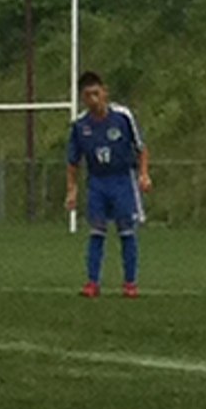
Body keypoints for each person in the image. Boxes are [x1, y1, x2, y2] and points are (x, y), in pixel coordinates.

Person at [65, 71, 152, 298]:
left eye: (96, 93)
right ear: (83, 98)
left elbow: (141, 148)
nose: (93, 99)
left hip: (122, 179)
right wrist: (72, 190)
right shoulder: (80, 125)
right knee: (96, 231)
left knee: (126, 231)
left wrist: (143, 174)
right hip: (97, 182)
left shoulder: (122, 117)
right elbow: (73, 161)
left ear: (105, 92)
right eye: (88, 96)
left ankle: (130, 283)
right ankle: (92, 282)